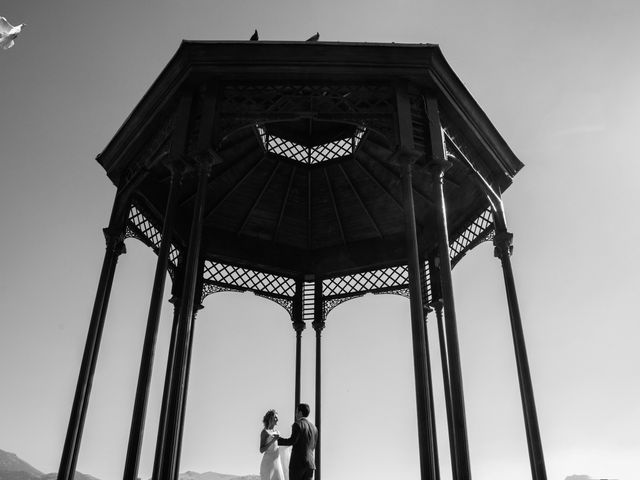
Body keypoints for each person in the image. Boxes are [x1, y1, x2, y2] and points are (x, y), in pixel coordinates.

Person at [277, 403, 318, 480]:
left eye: (296, 412)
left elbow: (291, 441)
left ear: (300, 412)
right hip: (310, 465)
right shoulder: (315, 429)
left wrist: (277, 440)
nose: (295, 414)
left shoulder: (297, 424)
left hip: (297, 464)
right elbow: (313, 446)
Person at [260, 409, 285, 480]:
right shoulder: (264, 432)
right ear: (270, 418)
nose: (277, 419)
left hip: (277, 462)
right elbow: (261, 450)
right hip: (267, 463)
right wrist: (273, 440)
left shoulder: (277, 432)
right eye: (275, 417)